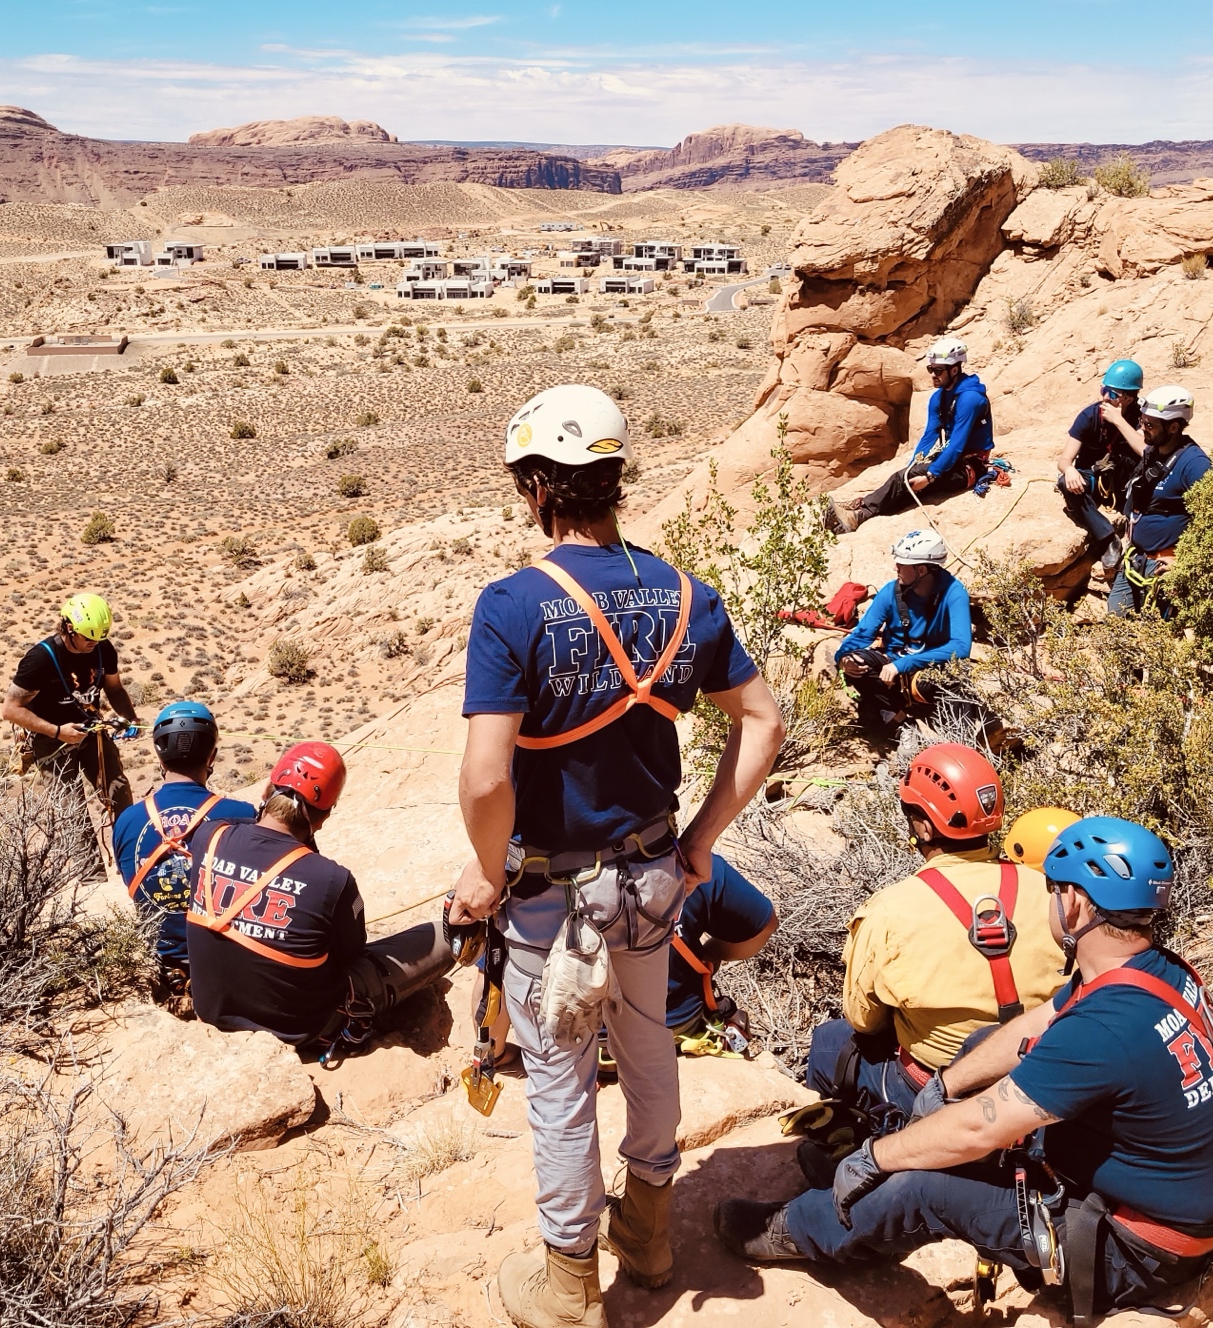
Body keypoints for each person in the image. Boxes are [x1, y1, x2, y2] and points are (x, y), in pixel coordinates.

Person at [448, 383, 784, 1327]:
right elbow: (763, 722)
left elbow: (486, 777)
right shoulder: (685, 594)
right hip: (653, 877)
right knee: (648, 1047)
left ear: (537, 489)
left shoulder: (513, 605)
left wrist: (489, 870)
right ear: (614, 480)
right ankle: (650, 1234)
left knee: (559, 1084)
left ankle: (568, 1284)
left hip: (553, 896)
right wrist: (701, 841)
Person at [716, 818, 1213, 1324]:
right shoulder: (1158, 971)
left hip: (1131, 1252)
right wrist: (947, 1083)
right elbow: (1040, 1020)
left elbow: (977, 1129)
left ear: (1074, 903)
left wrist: (878, 1158)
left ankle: (798, 1228)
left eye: (1052, 889)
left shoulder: (1105, 1028)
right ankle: (877, 1171)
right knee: (981, 1049)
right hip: (1166, 1196)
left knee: (924, 1186)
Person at [799, 745, 1066, 1160]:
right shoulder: (1052, 893)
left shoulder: (889, 911)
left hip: (937, 1091)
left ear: (924, 827)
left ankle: (853, 1149)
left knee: (828, 1043)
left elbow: (864, 1020)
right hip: (1040, 1084)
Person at [187, 741, 455, 1055]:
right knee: (443, 937)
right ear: (323, 818)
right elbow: (352, 953)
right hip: (303, 1030)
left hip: (213, 1014)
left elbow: (247, 830)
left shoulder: (209, 837)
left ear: (266, 791)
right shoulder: (331, 879)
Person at [111, 700, 258, 976]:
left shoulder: (127, 820)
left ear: (159, 757)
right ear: (212, 756)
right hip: (225, 959)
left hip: (162, 962)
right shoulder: (243, 815)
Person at [2, 592, 139, 860]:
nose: (93, 643)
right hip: (51, 739)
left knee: (119, 793)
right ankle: (91, 877)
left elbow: (114, 688)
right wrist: (57, 731)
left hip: (91, 731)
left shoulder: (103, 650)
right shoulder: (40, 659)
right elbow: (10, 709)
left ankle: (134, 859)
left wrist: (129, 717)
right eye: (87, 637)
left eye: (98, 638)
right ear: (68, 627)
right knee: (71, 810)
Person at [827, 337, 994, 534]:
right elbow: (930, 435)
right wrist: (914, 466)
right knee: (907, 479)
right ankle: (861, 509)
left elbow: (957, 444)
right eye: (930, 369)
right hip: (954, 460)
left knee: (904, 480)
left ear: (954, 370)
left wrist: (930, 476)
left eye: (938, 371)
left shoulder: (970, 399)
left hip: (970, 466)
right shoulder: (939, 398)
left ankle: (858, 515)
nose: (933, 375)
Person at [834, 529, 972, 734]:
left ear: (921, 570)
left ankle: (957, 737)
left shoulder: (954, 593)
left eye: (901, 564)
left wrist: (903, 665)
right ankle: (900, 723)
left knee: (955, 676)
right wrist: (843, 658)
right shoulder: (891, 591)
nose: (895, 567)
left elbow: (961, 647)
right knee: (857, 661)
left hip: (927, 670)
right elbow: (862, 634)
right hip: (891, 668)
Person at [1108, 387, 1210, 619]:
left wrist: (1184, 561)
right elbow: (1141, 445)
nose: (1143, 427)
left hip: (1164, 566)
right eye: (1142, 421)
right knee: (1115, 621)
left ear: (1173, 427)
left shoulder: (1195, 464)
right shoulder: (1155, 450)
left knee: (1159, 630)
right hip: (1136, 559)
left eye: (1150, 425)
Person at [666, 853, 778, 1049]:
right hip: (677, 1023)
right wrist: (712, 953)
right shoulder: (693, 864)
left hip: (608, 1033)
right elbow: (765, 926)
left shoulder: (603, 879)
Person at [1057, 360, 1146, 580]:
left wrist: (1118, 421)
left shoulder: (1141, 416)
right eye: (1103, 389)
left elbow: (1145, 451)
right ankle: (1108, 539)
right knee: (1064, 483)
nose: (1105, 397)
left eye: (1112, 394)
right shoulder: (1089, 416)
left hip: (1126, 482)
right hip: (1096, 478)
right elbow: (1065, 459)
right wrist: (1069, 470)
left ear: (1128, 399)